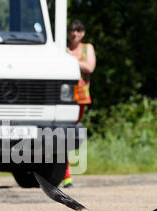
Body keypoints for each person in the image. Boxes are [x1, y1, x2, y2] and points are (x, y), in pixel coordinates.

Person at [63, 19, 96, 188]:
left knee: (69, 132)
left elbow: (90, 68)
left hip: (80, 96)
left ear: (83, 33)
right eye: (72, 30)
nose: (74, 33)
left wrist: (69, 59)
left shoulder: (87, 48)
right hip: (62, 96)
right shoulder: (62, 47)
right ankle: (66, 174)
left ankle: (65, 173)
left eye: (78, 31)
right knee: (62, 132)